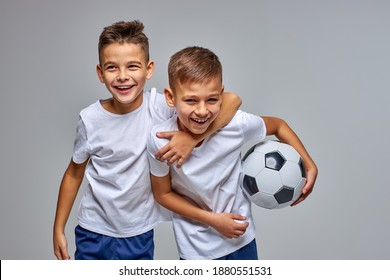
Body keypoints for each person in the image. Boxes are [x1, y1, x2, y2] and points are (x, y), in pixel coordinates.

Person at [53, 21, 241, 260]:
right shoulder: (90, 119)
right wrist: (58, 228)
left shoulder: (161, 107)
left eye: (132, 66)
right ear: (100, 73)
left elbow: (232, 100)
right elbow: (73, 173)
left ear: (149, 69)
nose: (123, 76)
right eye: (112, 67)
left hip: (139, 232)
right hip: (93, 231)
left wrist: (193, 138)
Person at [147, 46, 318, 260]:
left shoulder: (235, 124)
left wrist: (310, 164)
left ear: (221, 95)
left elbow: (279, 126)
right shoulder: (160, 140)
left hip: (241, 239)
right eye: (191, 100)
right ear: (170, 98)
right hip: (196, 249)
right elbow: (163, 194)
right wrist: (213, 220)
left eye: (211, 100)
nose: (202, 111)